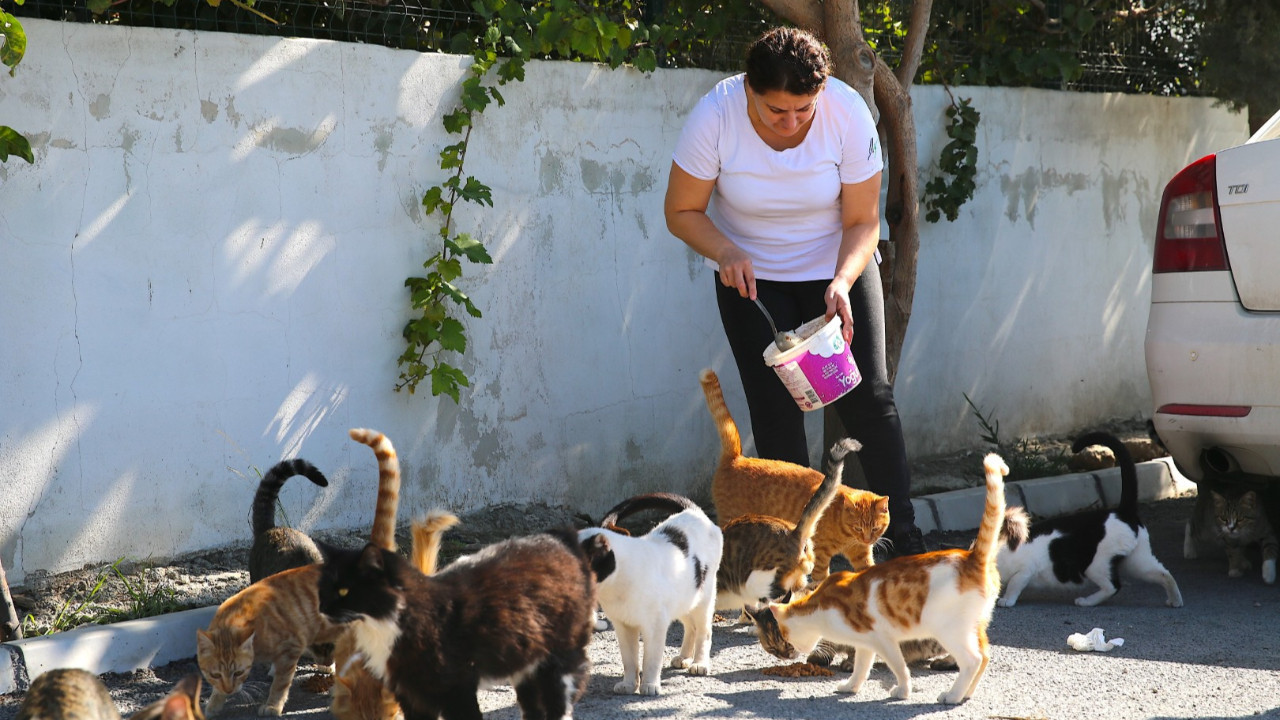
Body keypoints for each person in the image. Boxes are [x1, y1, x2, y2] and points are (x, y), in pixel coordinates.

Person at [664, 26, 925, 557]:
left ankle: (907, 548)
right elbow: (681, 211)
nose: (790, 123)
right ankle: (794, 557)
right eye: (774, 111)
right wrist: (725, 251)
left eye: (802, 111)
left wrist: (843, 281)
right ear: (749, 92)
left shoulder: (847, 112)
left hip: (836, 272)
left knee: (868, 400)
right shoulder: (715, 114)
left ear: (821, 92)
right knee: (777, 414)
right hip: (753, 280)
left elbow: (862, 220)